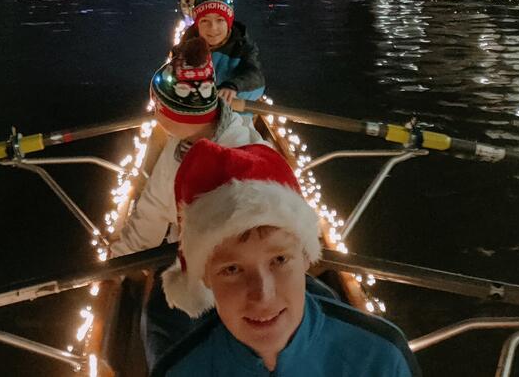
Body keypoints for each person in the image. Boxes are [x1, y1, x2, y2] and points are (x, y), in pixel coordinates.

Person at [152, 140, 417, 376]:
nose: (263, 295)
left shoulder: (380, 358)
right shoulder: (178, 371)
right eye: (232, 269)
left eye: (279, 260)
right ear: (204, 277)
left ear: (305, 258)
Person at [108, 39, 267, 368]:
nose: (153, 116)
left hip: (213, 280)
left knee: (159, 321)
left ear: (173, 114)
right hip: (261, 274)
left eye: (156, 109)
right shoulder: (243, 134)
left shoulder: (179, 159)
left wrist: (115, 262)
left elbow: (149, 221)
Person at [180, 0, 265, 104]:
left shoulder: (243, 48)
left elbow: (256, 79)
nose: (213, 28)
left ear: (228, 23)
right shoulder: (184, 48)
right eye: (205, 21)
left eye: (220, 20)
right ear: (197, 25)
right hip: (195, 113)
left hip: (235, 113)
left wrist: (233, 87)